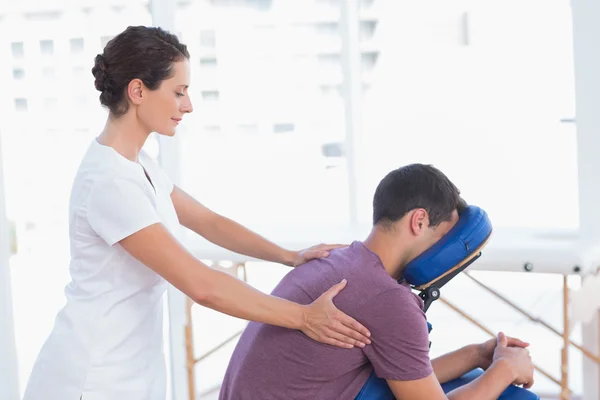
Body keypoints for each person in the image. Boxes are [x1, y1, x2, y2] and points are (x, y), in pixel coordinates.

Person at [22, 26, 371, 400]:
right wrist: (303, 317)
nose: (187, 105)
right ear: (138, 91)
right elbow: (201, 286)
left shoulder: (138, 165)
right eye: (178, 92)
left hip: (131, 369)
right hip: (91, 377)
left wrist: (288, 256)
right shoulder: (110, 183)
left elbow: (210, 223)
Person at [219, 163, 535, 400]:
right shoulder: (387, 298)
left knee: (477, 378)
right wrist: (507, 368)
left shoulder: (337, 261)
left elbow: (404, 378)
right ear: (420, 221)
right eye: (444, 236)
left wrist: (477, 354)